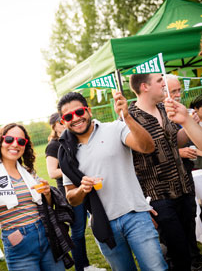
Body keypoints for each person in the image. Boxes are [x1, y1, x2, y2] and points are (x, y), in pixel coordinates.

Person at [57, 91, 168, 271]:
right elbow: (71, 197)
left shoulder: (115, 128)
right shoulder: (66, 153)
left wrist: (128, 117)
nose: (76, 118)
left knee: (156, 268)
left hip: (135, 215)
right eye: (69, 116)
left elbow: (147, 147)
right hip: (103, 224)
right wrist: (81, 190)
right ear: (63, 121)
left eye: (79, 112)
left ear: (89, 111)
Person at [0, 123, 74, 271]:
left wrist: (47, 193)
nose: (15, 144)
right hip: (18, 245)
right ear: (0, 142)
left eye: (21, 141)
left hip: (46, 237)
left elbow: (46, 205)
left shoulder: (28, 173)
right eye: (9, 139)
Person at [128, 73, 195, 271]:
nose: (164, 85)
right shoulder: (130, 118)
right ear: (144, 87)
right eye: (159, 81)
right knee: (176, 252)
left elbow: (175, 142)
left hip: (184, 187)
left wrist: (189, 124)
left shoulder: (165, 108)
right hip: (159, 196)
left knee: (190, 248)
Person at [45, 113, 105, 271]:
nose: (63, 123)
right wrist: (71, 170)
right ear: (54, 125)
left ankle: (88, 265)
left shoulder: (74, 138)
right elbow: (52, 172)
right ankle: (82, 267)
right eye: (60, 121)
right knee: (78, 231)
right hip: (72, 192)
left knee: (98, 223)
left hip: (90, 187)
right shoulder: (53, 145)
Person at [166, 75, 202, 269]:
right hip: (165, 183)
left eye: (179, 90)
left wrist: (190, 123)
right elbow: (152, 150)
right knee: (174, 224)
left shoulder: (186, 112)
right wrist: (179, 152)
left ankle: (195, 257)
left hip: (187, 173)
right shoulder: (153, 114)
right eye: (173, 91)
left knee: (191, 216)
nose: (178, 95)